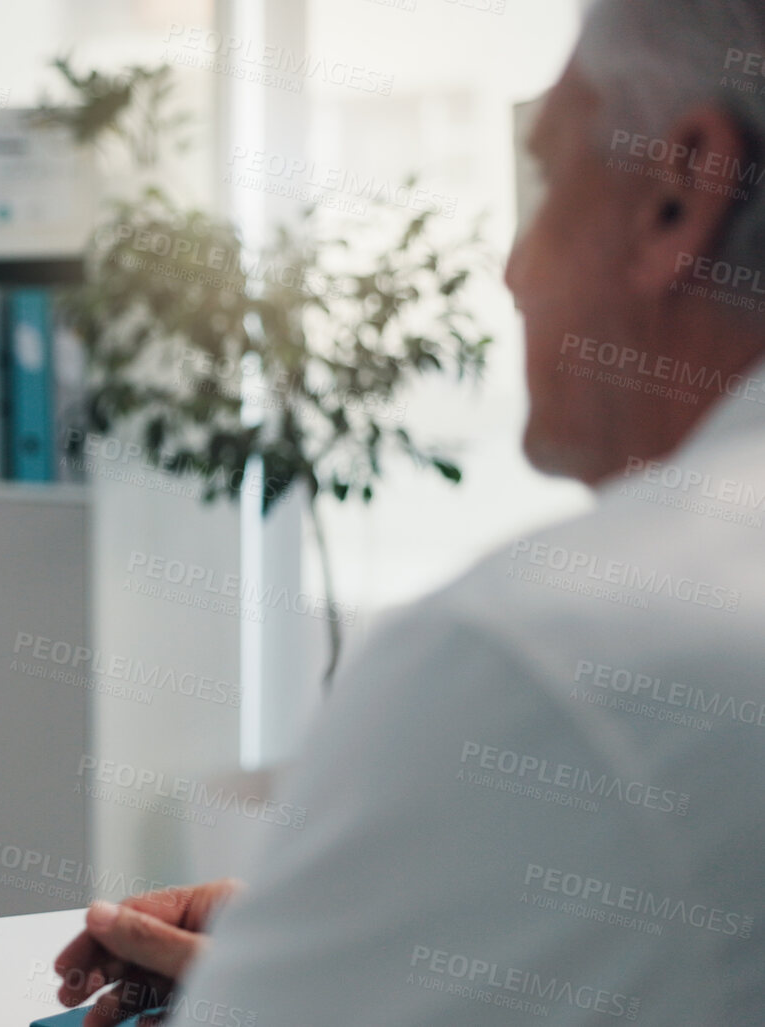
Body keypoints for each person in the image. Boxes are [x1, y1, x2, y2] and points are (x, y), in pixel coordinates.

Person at [55, 2, 765, 1023]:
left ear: (678, 195)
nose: (512, 271)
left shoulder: (537, 656)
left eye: (547, 174)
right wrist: (354, 944)